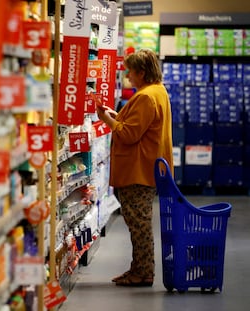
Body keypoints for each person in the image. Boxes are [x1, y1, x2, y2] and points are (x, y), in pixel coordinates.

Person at [96, 48, 173, 287]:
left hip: (138, 169)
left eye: (131, 71)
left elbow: (129, 134)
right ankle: (137, 269)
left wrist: (107, 119)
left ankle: (144, 273)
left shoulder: (145, 96)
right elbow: (139, 126)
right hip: (148, 166)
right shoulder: (157, 91)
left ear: (142, 72)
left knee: (139, 225)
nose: (128, 76)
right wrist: (117, 115)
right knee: (139, 223)